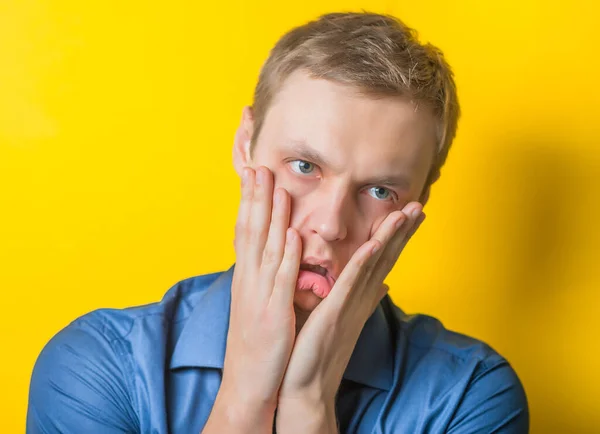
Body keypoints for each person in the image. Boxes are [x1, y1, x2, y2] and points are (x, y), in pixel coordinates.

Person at [26, 11, 529, 434]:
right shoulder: (96, 366)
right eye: (305, 166)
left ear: (420, 201)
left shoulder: (469, 396)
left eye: (380, 191)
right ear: (246, 147)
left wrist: (310, 402)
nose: (331, 226)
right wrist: (246, 394)